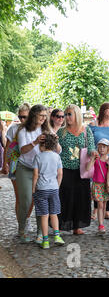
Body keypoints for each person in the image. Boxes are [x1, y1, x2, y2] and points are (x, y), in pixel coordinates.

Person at [57, 104, 95, 235]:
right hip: (64, 169)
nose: (66, 117)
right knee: (65, 197)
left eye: (69, 114)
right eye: (65, 114)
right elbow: (56, 150)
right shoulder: (60, 132)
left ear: (77, 115)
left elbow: (90, 146)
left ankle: (77, 226)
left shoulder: (86, 130)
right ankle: (62, 224)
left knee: (80, 198)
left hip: (82, 169)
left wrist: (93, 153)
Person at [15, 104, 51, 243]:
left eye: (45, 116)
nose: (43, 118)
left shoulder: (46, 129)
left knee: (40, 201)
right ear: (34, 115)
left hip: (41, 170)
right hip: (25, 168)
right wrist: (35, 142)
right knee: (26, 201)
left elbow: (56, 149)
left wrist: (55, 143)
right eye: (40, 115)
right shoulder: (24, 130)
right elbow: (22, 150)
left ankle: (40, 232)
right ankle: (22, 229)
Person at [31, 132, 65, 249]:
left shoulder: (38, 157)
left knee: (44, 215)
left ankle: (45, 241)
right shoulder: (57, 157)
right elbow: (60, 174)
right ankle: (57, 236)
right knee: (54, 214)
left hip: (41, 189)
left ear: (43, 145)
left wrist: (33, 188)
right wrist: (57, 185)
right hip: (54, 188)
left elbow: (35, 174)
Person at [2, 103, 31, 232]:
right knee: (19, 196)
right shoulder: (14, 128)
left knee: (32, 197)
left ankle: (26, 218)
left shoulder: (35, 128)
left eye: (25, 117)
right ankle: (21, 224)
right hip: (15, 164)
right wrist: (4, 164)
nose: (22, 119)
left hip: (31, 165)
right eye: (20, 116)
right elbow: (7, 147)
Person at [86, 138, 109, 234]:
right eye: (100, 147)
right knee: (100, 204)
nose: (101, 149)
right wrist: (92, 159)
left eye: (104, 147)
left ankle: (102, 221)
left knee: (104, 204)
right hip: (97, 184)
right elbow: (88, 168)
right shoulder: (96, 159)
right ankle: (100, 224)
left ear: (108, 148)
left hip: (106, 184)